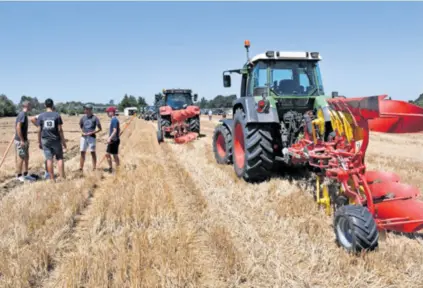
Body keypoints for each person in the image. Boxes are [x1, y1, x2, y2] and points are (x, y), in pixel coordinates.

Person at [37, 99, 67, 181]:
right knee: (59, 158)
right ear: (53, 105)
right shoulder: (57, 115)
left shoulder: (41, 116)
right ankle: (62, 177)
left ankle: (52, 179)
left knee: (49, 159)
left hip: (45, 140)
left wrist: (39, 142)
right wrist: (63, 142)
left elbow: (39, 130)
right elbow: (60, 130)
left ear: (45, 105)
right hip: (56, 140)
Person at [14, 101, 36, 182]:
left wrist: (26, 139)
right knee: (21, 157)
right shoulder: (22, 114)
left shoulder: (24, 115)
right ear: (26, 106)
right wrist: (22, 140)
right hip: (21, 141)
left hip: (24, 140)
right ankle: (19, 175)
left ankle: (26, 174)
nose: (31, 107)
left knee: (26, 157)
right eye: (30, 105)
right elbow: (18, 127)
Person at [79, 104, 102, 171]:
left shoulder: (95, 118)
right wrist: (83, 132)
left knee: (92, 152)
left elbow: (100, 129)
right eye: (84, 109)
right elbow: (81, 126)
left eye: (86, 109)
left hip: (92, 137)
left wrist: (92, 132)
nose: (84, 110)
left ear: (89, 110)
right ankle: (81, 168)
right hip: (83, 137)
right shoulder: (82, 118)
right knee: (82, 152)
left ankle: (94, 168)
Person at [105, 106, 120, 173]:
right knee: (110, 154)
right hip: (114, 140)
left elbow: (115, 130)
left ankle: (116, 169)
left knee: (113, 155)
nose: (107, 113)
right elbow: (117, 130)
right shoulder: (115, 119)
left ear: (112, 112)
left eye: (108, 112)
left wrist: (110, 138)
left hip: (113, 141)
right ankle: (114, 168)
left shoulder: (114, 120)